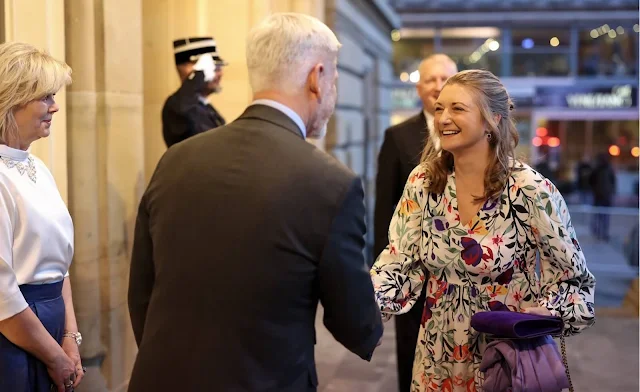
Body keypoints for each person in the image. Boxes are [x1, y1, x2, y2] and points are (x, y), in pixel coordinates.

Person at [128, 13, 383, 392]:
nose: (332, 90)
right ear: (316, 78)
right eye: (334, 77)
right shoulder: (331, 183)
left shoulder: (175, 160)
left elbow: (141, 293)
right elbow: (355, 324)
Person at [371, 69, 595, 391]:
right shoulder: (424, 182)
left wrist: (546, 310)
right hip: (437, 358)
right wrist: (365, 305)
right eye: (439, 109)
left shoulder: (530, 190)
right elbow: (399, 262)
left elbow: (575, 282)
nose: (443, 118)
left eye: (457, 109)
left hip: (506, 360)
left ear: (492, 119)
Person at [0, 42, 84, 392]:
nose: (55, 106)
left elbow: (60, 267)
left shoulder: (38, 167)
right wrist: (55, 357)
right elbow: (1, 292)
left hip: (52, 324)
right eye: (46, 97)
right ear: (13, 99)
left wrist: (69, 338)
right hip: (14, 334)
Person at [374, 53, 457, 392]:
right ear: (418, 87)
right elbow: (385, 204)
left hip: (459, 267)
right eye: (430, 80)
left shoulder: (474, 135)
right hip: (415, 266)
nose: (437, 86)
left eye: (445, 79)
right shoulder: (397, 136)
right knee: (411, 348)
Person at [161, 36, 227, 148]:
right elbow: (184, 112)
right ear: (188, 68)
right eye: (213, 68)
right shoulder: (176, 106)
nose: (219, 74)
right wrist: (198, 75)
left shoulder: (206, 107)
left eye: (219, 68)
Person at [589, 152, 616, 241]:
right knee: (600, 215)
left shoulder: (606, 169)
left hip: (604, 195)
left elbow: (613, 182)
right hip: (601, 195)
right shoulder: (598, 169)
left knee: (603, 215)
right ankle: (600, 232)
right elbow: (592, 180)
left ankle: (602, 232)